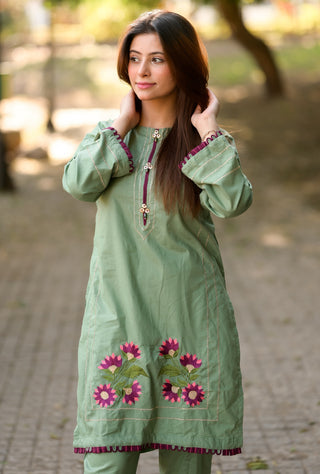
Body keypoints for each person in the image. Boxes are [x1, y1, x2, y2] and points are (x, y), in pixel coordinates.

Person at [63, 9, 252, 474]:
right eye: (134, 58)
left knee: (186, 464)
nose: (141, 72)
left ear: (183, 64)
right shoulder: (108, 138)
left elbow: (233, 203)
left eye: (157, 59)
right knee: (107, 462)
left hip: (189, 319)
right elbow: (78, 185)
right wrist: (121, 127)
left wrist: (208, 130)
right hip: (118, 319)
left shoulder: (204, 144)